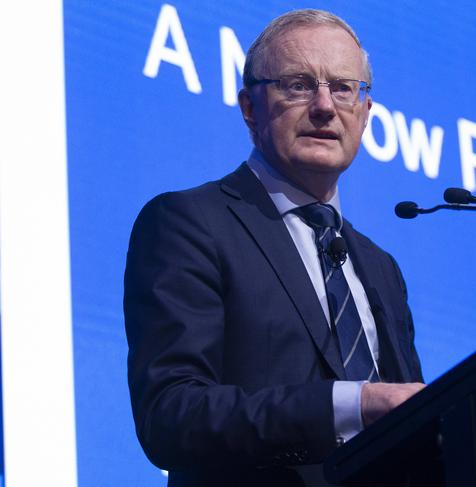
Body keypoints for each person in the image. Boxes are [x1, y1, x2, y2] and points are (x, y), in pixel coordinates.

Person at [124, 9, 425, 486]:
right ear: (250, 107)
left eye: (343, 88)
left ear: (365, 115)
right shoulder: (190, 223)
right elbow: (170, 414)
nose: (325, 106)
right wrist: (350, 404)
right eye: (298, 85)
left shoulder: (381, 268)